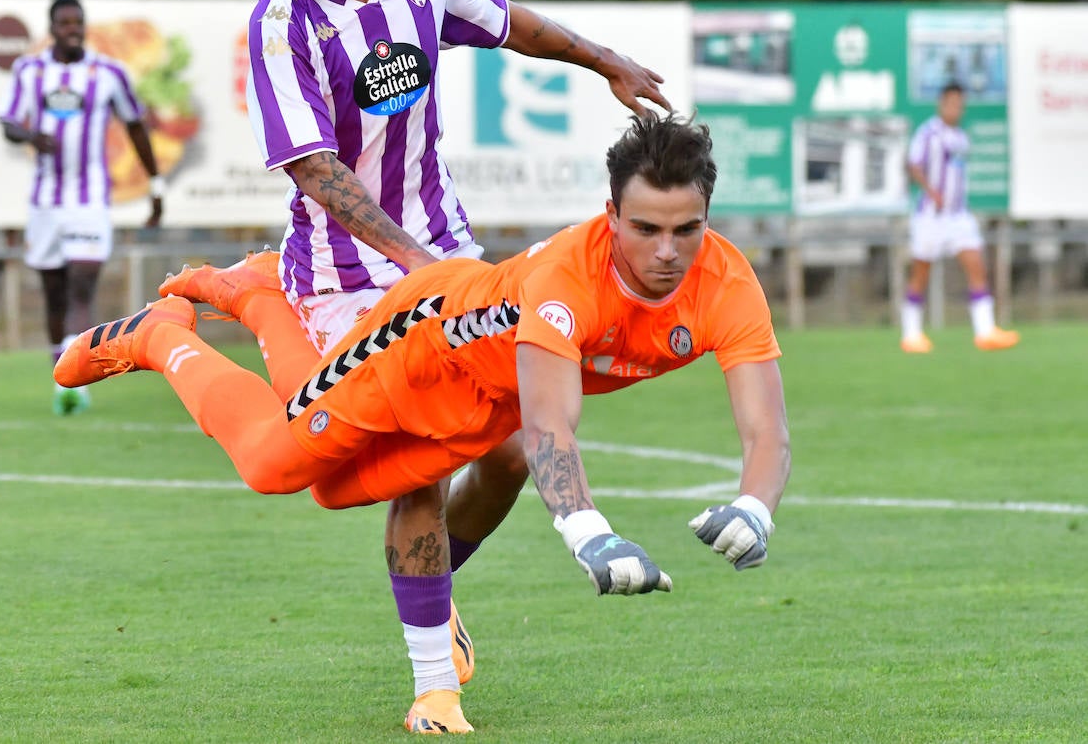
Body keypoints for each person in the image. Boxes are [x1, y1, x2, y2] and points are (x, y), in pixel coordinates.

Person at [61, 115, 792, 735]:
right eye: (646, 228)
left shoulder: (725, 281)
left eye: (686, 230)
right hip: (416, 347)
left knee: (394, 474)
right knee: (275, 464)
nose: (667, 251)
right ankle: (160, 335)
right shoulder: (570, 276)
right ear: (611, 218)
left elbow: (768, 431)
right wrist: (590, 534)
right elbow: (548, 425)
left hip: (493, 392)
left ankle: (258, 295)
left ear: (708, 221)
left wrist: (756, 507)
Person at [162, 0, 672, 707]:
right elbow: (315, 169)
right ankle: (435, 688)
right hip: (345, 279)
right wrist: (413, 266)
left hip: (447, 256)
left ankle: (439, 599)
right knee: (422, 468)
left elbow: (514, 23)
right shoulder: (283, 25)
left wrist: (605, 62)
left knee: (513, 452)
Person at [0, 0, 164, 415]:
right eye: (64, 23)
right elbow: (9, 123)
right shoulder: (30, 70)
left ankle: (75, 382)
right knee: (54, 293)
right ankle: (61, 375)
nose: (72, 30)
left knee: (82, 284)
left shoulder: (107, 73)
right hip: (45, 203)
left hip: (90, 199)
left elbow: (135, 127)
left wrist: (156, 185)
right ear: (52, 28)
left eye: (78, 23)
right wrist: (31, 137)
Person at [900, 81, 1019, 353]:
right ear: (942, 104)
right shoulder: (929, 133)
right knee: (920, 272)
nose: (957, 109)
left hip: (958, 216)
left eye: (960, 104)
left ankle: (985, 331)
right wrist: (932, 192)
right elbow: (913, 164)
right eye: (953, 103)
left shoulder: (961, 137)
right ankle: (911, 334)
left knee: (977, 264)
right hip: (931, 216)